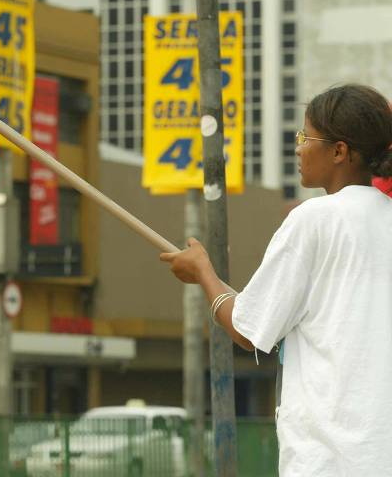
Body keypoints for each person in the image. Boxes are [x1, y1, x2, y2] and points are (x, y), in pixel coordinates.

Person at [159, 84, 392, 475]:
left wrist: (203, 273)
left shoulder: (313, 219)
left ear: (340, 151)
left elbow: (248, 329)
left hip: (328, 460)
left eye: (305, 137)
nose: (298, 148)